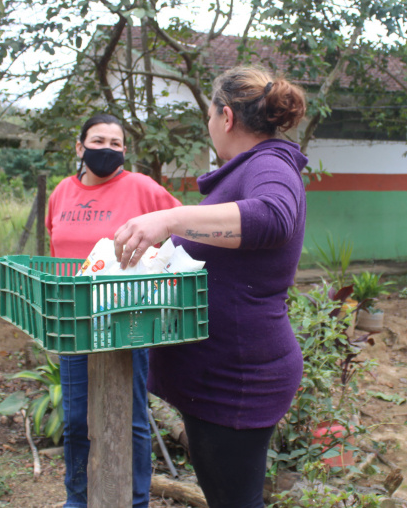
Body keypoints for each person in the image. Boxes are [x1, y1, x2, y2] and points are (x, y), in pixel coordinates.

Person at [113, 66, 308, 508]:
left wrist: (169, 218)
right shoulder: (248, 168)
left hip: (237, 381)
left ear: (226, 117)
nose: (208, 129)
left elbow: (272, 218)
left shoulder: (270, 163)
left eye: (207, 118)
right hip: (218, 377)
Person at [45, 113, 182, 508]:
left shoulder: (141, 188)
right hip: (74, 321)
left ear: (125, 150)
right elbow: (56, 249)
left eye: (116, 143)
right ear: (79, 146)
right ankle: (79, 498)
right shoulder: (61, 193)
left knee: (132, 418)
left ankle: (136, 500)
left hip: (127, 321)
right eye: (98, 141)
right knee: (75, 420)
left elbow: (182, 229)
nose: (107, 149)